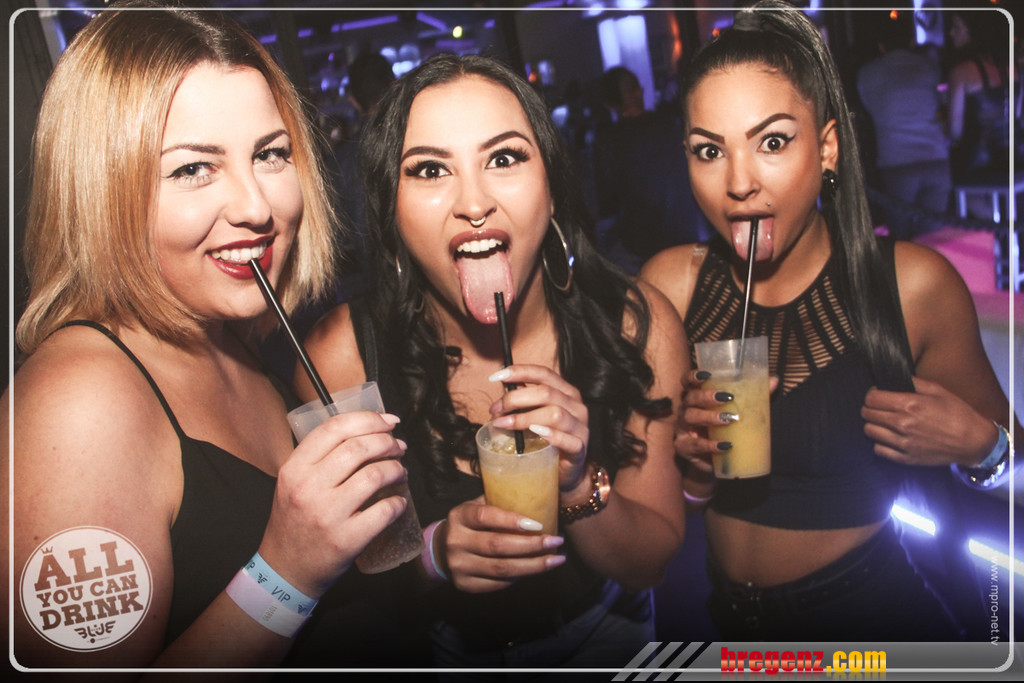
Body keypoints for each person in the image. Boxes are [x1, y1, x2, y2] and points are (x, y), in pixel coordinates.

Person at [4, 0, 409, 669]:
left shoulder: (236, 337)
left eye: (270, 154)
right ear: (102, 191)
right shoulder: (78, 405)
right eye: (193, 167)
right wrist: (285, 574)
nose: (257, 207)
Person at [640, 0, 1017, 641]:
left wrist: (984, 446)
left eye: (773, 142)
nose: (738, 182)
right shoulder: (671, 287)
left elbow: (1016, 466)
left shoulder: (911, 286)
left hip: (868, 629)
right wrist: (695, 469)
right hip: (725, 628)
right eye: (709, 150)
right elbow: (653, 519)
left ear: (828, 147)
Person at [297, 53, 687, 671]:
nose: (473, 202)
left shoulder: (637, 326)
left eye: (504, 158)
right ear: (391, 210)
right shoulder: (339, 357)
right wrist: (434, 555)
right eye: (430, 169)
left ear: (552, 187)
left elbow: (651, 562)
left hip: (611, 637)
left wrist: (578, 482)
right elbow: (348, 585)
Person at [592, 66, 706, 272]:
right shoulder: (669, 124)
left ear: (609, 103)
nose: (639, 92)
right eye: (633, 88)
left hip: (646, 249)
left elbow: (608, 206)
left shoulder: (611, 141)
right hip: (685, 237)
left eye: (636, 87)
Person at [856, 10, 951, 239]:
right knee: (932, 239)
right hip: (936, 158)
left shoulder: (866, 74)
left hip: (897, 163)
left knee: (902, 241)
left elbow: (869, 110)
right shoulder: (928, 67)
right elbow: (941, 102)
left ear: (880, 45)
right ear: (911, 40)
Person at [946, 10, 1014, 187]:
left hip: (977, 160)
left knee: (943, 176)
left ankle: (980, 207)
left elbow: (955, 131)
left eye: (956, 27)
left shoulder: (961, 72)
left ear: (973, 30)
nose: (951, 33)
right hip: (1014, 157)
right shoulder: (1011, 68)